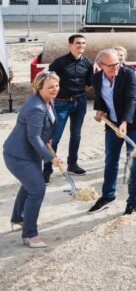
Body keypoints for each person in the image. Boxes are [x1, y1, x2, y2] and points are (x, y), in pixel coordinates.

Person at [4, 71, 62, 248]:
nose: (55, 89)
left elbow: (42, 130)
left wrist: (47, 137)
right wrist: (51, 158)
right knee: (37, 189)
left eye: (57, 85)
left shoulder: (48, 101)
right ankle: (29, 235)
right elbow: (33, 138)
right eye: (50, 87)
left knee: (29, 186)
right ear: (40, 88)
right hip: (18, 155)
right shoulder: (35, 107)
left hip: (30, 153)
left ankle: (18, 218)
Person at [88, 49, 136, 215]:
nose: (117, 67)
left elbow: (132, 98)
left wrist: (124, 122)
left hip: (134, 124)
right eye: (112, 65)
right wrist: (100, 110)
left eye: (118, 63)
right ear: (101, 66)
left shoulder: (128, 73)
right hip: (112, 125)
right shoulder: (96, 78)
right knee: (111, 161)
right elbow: (100, 98)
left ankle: (132, 201)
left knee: (134, 163)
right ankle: (108, 195)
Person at [44, 33, 92, 181]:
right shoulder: (60, 63)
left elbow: (89, 83)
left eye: (83, 43)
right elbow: (48, 80)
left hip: (80, 103)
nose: (81, 46)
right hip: (61, 104)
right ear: (70, 45)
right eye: (78, 43)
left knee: (76, 135)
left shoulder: (87, 63)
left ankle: (72, 164)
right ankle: (46, 170)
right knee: (55, 137)